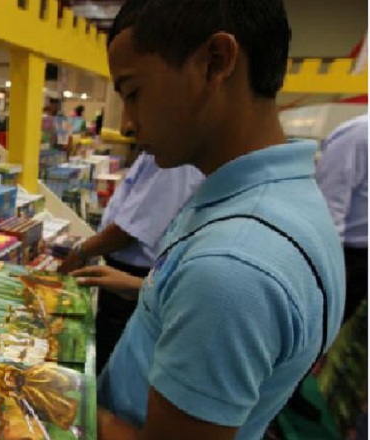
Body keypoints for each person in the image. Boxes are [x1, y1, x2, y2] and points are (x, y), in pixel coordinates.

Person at [72, 1, 346, 439]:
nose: (126, 123)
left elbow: (224, 290)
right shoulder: (280, 200)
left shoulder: (231, 266)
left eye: (133, 92)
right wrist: (145, 289)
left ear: (215, 63)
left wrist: (75, 407)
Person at [58, 151, 203, 372]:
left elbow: (128, 231)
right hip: (126, 276)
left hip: (135, 275)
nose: (127, 126)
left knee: (112, 357)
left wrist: (80, 252)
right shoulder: (159, 154)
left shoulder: (172, 162)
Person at [316, 114, 367, 324]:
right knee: (322, 330)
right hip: (348, 256)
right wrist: (333, 263)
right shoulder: (358, 134)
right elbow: (329, 202)